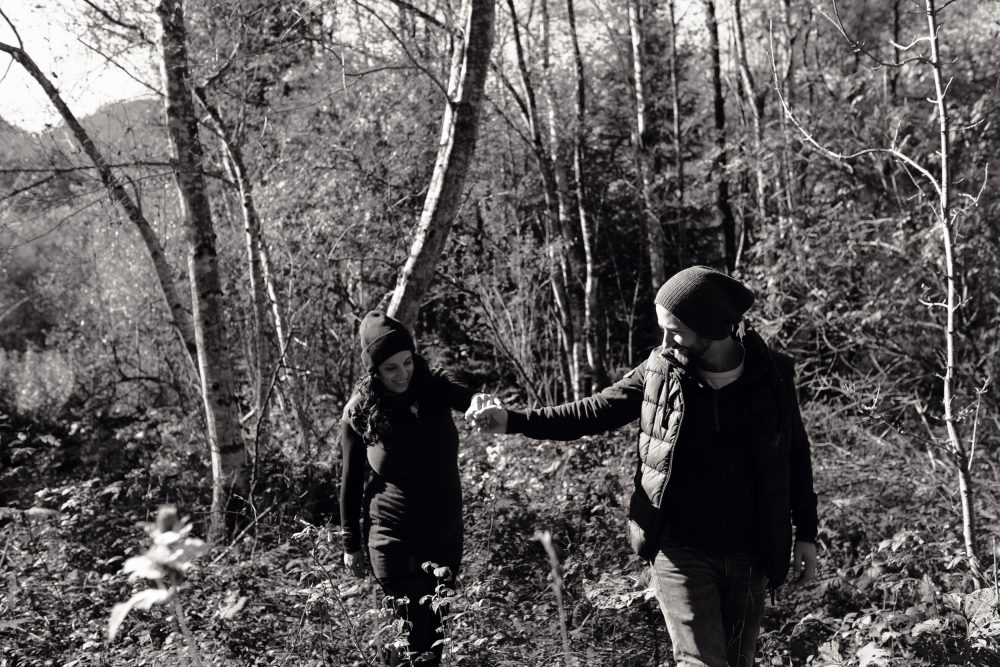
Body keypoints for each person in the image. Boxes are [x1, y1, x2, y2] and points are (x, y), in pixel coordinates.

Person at [467, 266, 818, 667]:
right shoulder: (660, 370)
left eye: (675, 331)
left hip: (750, 551)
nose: (665, 341)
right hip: (680, 548)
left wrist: (806, 530)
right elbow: (592, 412)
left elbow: (795, 454)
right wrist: (513, 420)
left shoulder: (771, 376)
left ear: (714, 328)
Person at [339, 310, 495, 666]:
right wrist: (351, 544)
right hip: (392, 539)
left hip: (445, 539)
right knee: (410, 640)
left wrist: (481, 402)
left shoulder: (433, 387)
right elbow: (350, 483)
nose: (402, 373)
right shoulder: (360, 411)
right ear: (374, 370)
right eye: (391, 367)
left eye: (407, 362)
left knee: (435, 641)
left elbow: (469, 397)